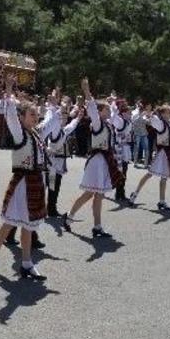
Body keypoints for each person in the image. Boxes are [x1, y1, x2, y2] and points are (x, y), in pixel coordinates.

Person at [0, 76, 48, 280]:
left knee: (28, 225)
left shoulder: (36, 135)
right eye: (31, 114)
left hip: (35, 183)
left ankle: (27, 263)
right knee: (10, 222)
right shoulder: (20, 134)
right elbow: (10, 115)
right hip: (22, 183)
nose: (35, 117)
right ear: (22, 117)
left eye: (36, 114)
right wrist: (9, 90)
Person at [62, 78, 123, 237]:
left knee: (99, 194)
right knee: (89, 193)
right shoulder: (98, 123)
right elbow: (92, 108)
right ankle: (69, 217)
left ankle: (97, 226)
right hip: (97, 161)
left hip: (104, 161)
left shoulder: (108, 124)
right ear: (100, 111)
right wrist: (87, 91)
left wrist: (113, 101)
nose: (109, 112)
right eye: (107, 110)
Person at [129, 104, 170, 210]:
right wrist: (149, 113)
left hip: (168, 151)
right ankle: (135, 193)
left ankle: (162, 201)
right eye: (168, 112)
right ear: (162, 114)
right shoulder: (160, 123)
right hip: (163, 152)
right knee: (150, 174)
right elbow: (153, 120)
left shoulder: (168, 123)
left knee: (164, 177)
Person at [43, 96, 82, 217]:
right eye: (62, 117)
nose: (64, 118)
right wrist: (54, 107)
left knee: (54, 186)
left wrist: (78, 118)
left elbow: (71, 127)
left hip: (58, 163)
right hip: (52, 164)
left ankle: (51, 208)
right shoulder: (56, 130)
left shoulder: (63, 130)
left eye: (66, 117)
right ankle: (47, 208)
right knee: (50, 186)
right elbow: (52, 118)